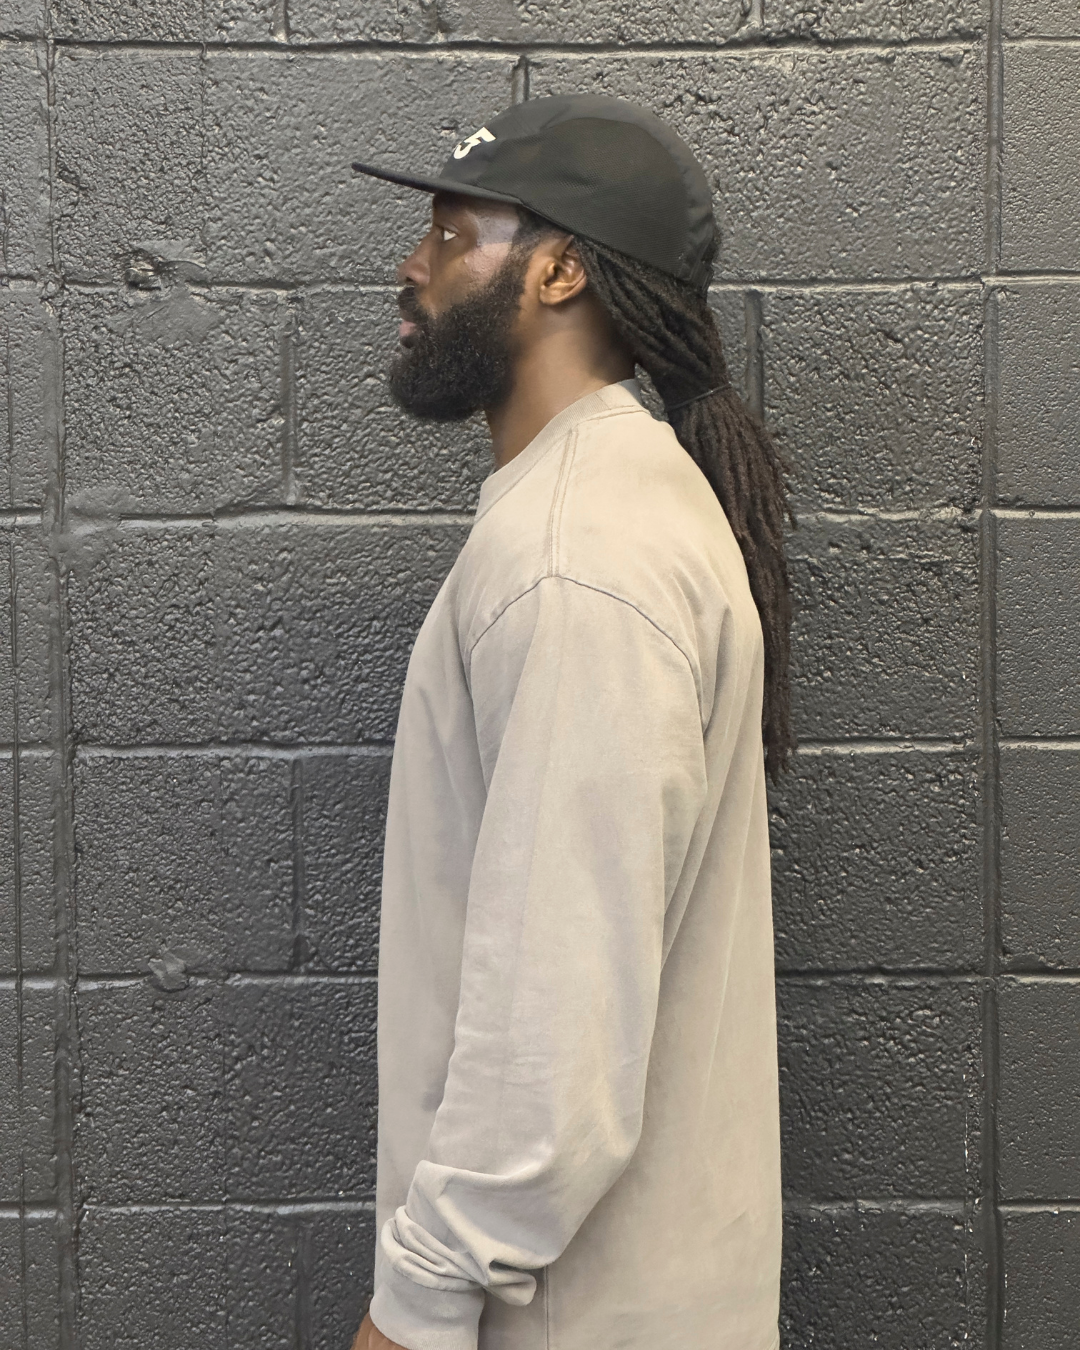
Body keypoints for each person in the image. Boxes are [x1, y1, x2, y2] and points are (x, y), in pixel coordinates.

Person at [349, 94, 792, 1350]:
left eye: (452, 234)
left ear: (558, 272)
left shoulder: (576, 560)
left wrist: (416, 1306)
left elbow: (557, 1015)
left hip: (570, 1316)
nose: (413, 266)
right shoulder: (599, 509)